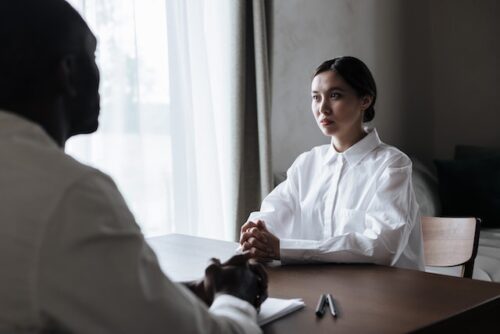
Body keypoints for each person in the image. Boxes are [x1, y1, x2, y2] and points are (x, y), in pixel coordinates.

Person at [0, 0, 267, 333]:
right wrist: (235, 296)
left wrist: (180, 297)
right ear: (67, 72)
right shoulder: (68, 195)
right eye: (94, 57)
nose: (104, 76)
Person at [240, 56, 424, 270]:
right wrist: (256, 233)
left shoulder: (393, 164)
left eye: (335, 95)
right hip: (320, 288)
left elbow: (382, 247)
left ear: (365, 100)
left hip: (387, 295)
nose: (323, 108)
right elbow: (275, 212)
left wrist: (284, 248)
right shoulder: (307, 163)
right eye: (316, 97)